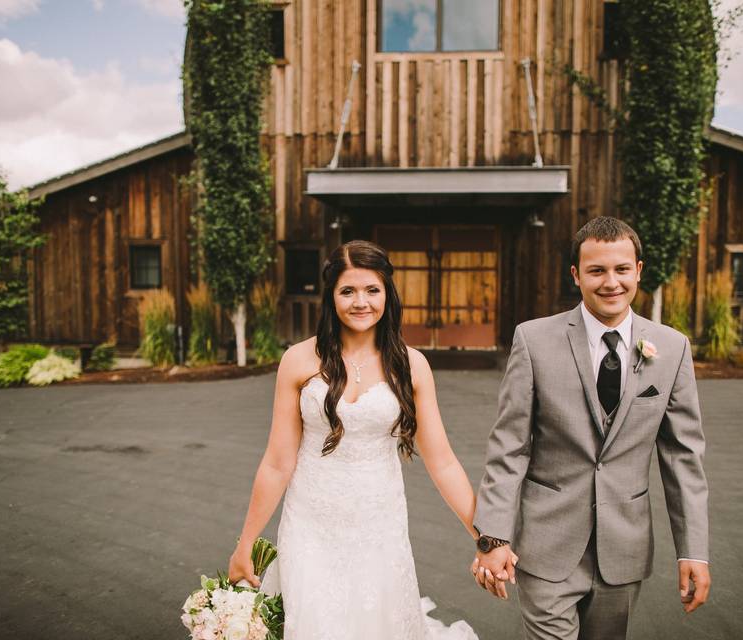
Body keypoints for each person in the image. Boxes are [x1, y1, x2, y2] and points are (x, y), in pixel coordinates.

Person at [228, 239, 500, 639]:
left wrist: (487, 538)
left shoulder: (412, 365)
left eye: (372, 290)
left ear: (388, 294)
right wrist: (245, 543)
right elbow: (277, 461)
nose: (361, 302)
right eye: (347, 291)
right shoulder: (299, 360)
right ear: (331, 296)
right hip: (310, 523)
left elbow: (442, 462)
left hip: (379, 524)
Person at [471, 216, 711, 639]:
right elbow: (509, 448)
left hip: (624, 549)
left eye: (621, 269)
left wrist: (693, 550)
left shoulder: (671, 348)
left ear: (638, 270)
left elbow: (683, 458)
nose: (610, 282)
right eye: (597, 270)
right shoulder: (534, 339)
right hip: (546, 545)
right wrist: (492, 538)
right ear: (576, 275)